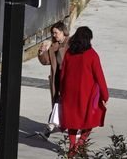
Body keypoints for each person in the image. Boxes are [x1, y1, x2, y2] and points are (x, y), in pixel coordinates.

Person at [58, 26, 109, 156]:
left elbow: (63, 73)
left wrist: (61, 91)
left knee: (72, 120)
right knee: (91, 117)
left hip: (69, 92)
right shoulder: (92, 54)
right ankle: (81, 141)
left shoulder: (69, 53)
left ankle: (72, 145)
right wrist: (105, 95)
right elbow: (99, 76)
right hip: (87, 93)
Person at [35, 21, 69, 137]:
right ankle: (50, 128)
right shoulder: (54, 46)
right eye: (52, 33)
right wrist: (42, 50)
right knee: (58, 104)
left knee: (63, 104)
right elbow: (46, 61)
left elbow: (63, 60)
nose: (54, 35)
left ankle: (50, 128)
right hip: (58, 79)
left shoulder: (71, 44)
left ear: (63, 32)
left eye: (56, 32)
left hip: (69, 79)